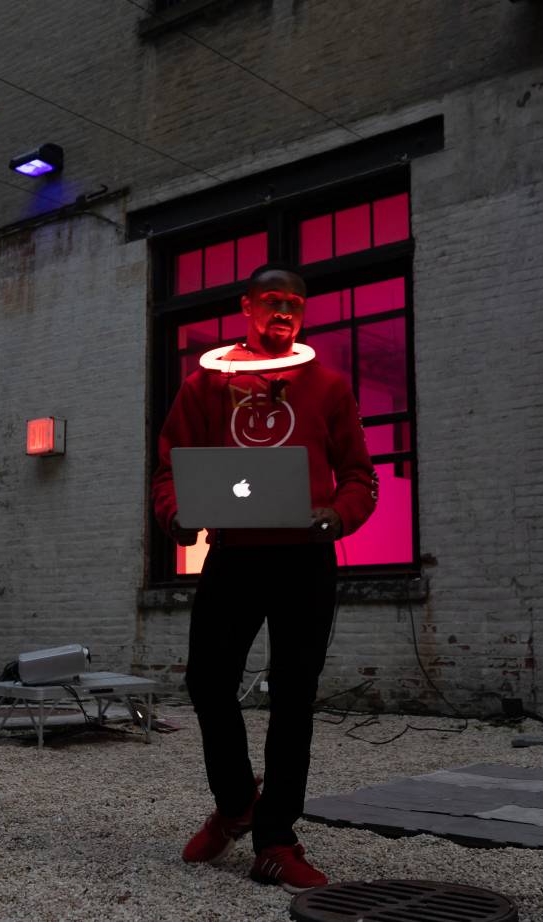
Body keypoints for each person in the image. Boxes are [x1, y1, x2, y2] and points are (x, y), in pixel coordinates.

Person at [152, 264, 377, 892]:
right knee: (206, 681)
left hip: (304, 557)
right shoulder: (206, 384)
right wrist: (175, 517)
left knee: (294, 696)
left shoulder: (328, 387)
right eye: (273, 301)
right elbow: (170, 464)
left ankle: (275, 838)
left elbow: (361, 476)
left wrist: (339, 514)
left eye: (296, 304)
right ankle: (235, 803)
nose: (285, 312)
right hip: (234, 552)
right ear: (246, 306)